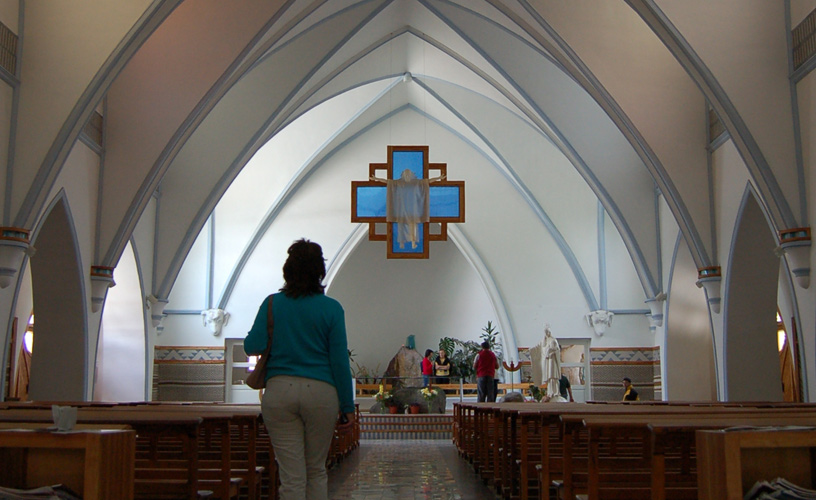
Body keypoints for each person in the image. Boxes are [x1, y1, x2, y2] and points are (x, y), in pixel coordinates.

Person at [244, 239, 354, 500]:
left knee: (291, 475)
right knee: (316, 470)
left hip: (280, 391)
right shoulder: (332, 308)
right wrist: (347, 408)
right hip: (321, 392)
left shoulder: (272, 303)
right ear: (320, 271)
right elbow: (339, 360)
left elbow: (252, 345)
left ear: (288, 270)